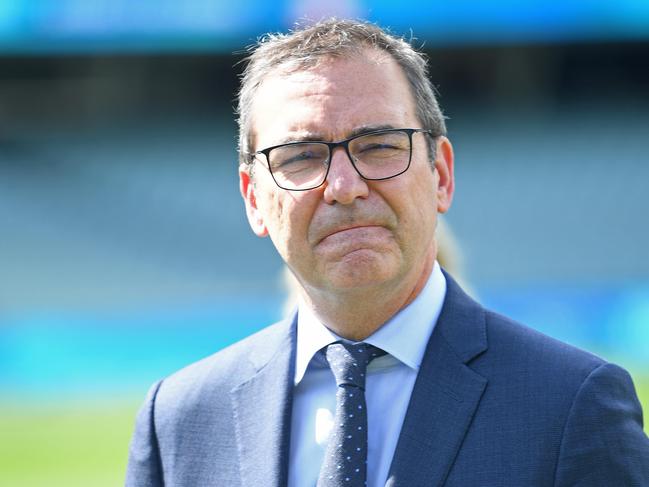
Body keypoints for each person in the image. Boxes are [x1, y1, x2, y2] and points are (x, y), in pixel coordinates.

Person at [126, 19, 649, 486]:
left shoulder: (571, 405)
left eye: (378, 146)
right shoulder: (178, 420)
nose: (344, 187)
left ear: (440, 175)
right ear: (254, 200)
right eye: (302, 157)